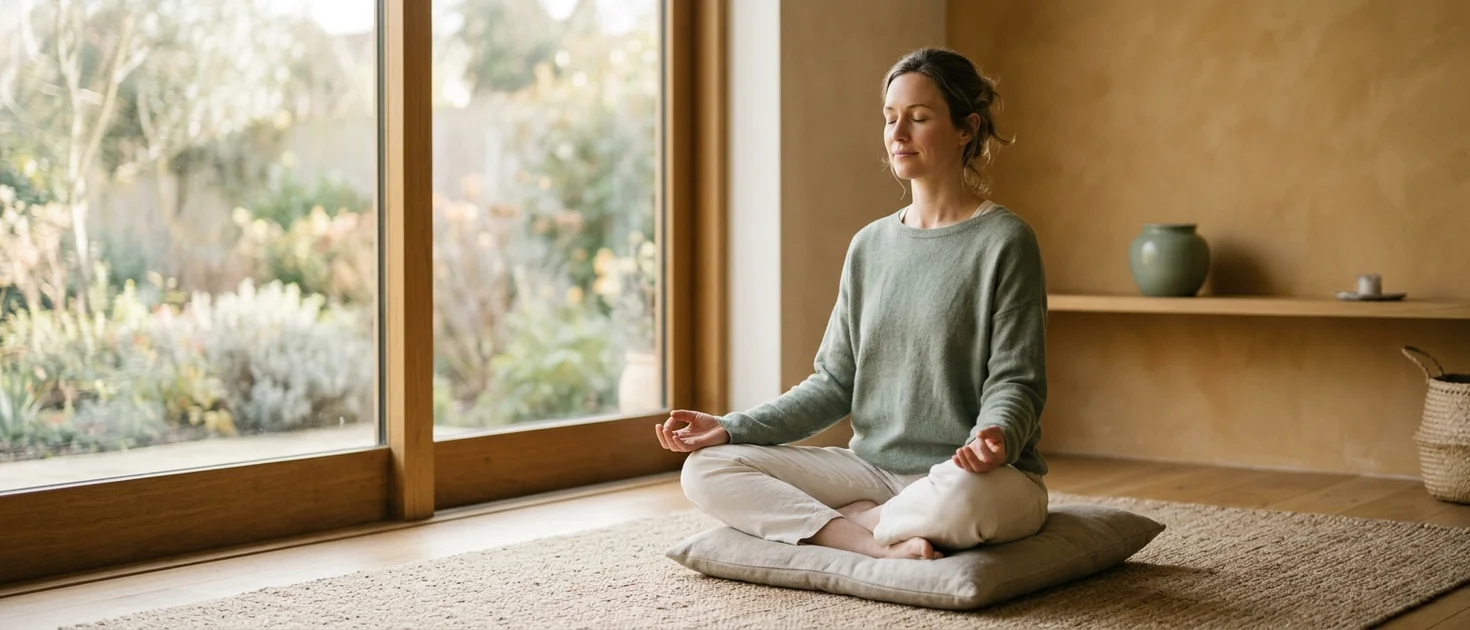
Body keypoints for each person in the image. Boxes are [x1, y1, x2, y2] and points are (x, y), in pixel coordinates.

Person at [654, 47, 1049, 561]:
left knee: (963, 502)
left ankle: (858, 521)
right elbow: (834, 383)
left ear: (965, 129)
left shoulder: (1005, 240)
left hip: (970, 475)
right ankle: (868, 539)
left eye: (919, 118)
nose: (897, 134)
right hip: (871, 469)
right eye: (890, 119)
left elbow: (1015, 380)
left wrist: (993, 435)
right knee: (707, 469)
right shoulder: (870, 245)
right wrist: (731, 427)